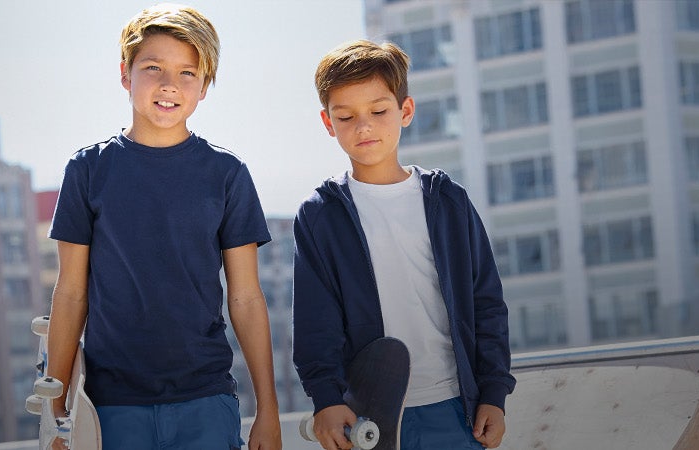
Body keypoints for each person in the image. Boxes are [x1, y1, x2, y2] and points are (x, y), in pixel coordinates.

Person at [43, 4, 281, 449]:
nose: (170, 84)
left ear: (205, 86)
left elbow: (246, 297)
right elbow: (71, 292)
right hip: (109, 404)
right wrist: (57, 409)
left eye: (188, 73)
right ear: (125, 74)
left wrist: (268, 409)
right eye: (153, 68)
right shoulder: (88, 170)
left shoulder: (227, 174)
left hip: (206, 399)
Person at [290, 39, 515, 450]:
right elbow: (313, 322)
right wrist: (325, 397)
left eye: (378, 111)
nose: (364, 127)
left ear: (405, 111)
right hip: (367, 418)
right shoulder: (320, 215)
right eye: (346, 116)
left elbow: (487, 303)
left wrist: (494, 393)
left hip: (457, 409)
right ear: (328, 123)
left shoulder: (448, 201)